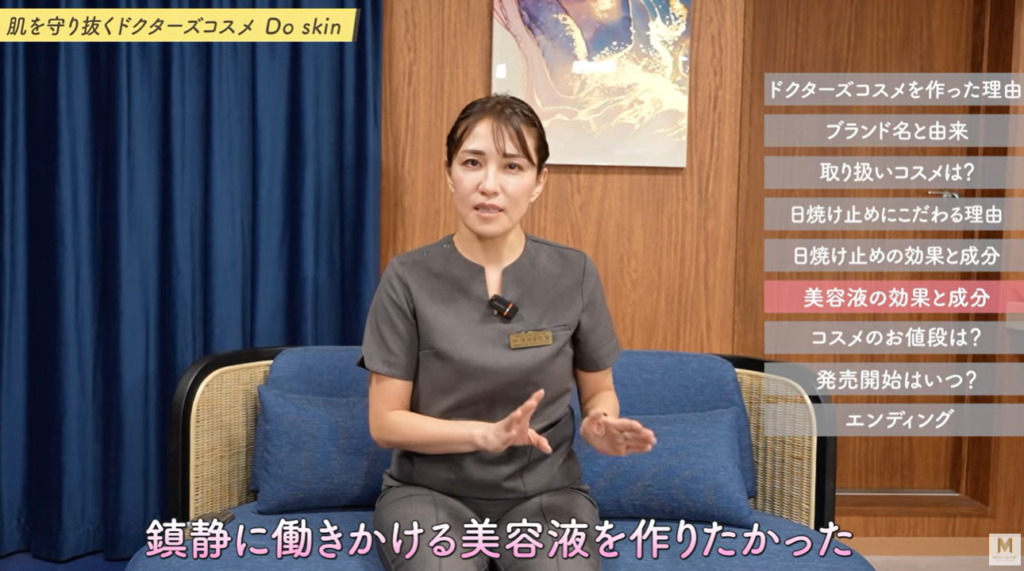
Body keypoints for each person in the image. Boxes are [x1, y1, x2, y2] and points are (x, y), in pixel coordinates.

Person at [357, 94, 657, 571]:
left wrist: (600, 422)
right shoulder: (408, 278)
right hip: (429, 494)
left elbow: (599, 391)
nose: (489, 185)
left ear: (539, 182)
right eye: (472, 162)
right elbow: (385, 423)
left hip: (546, 495)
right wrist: (485, 435)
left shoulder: (574, 273)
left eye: (512, 166)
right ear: (449, 173)